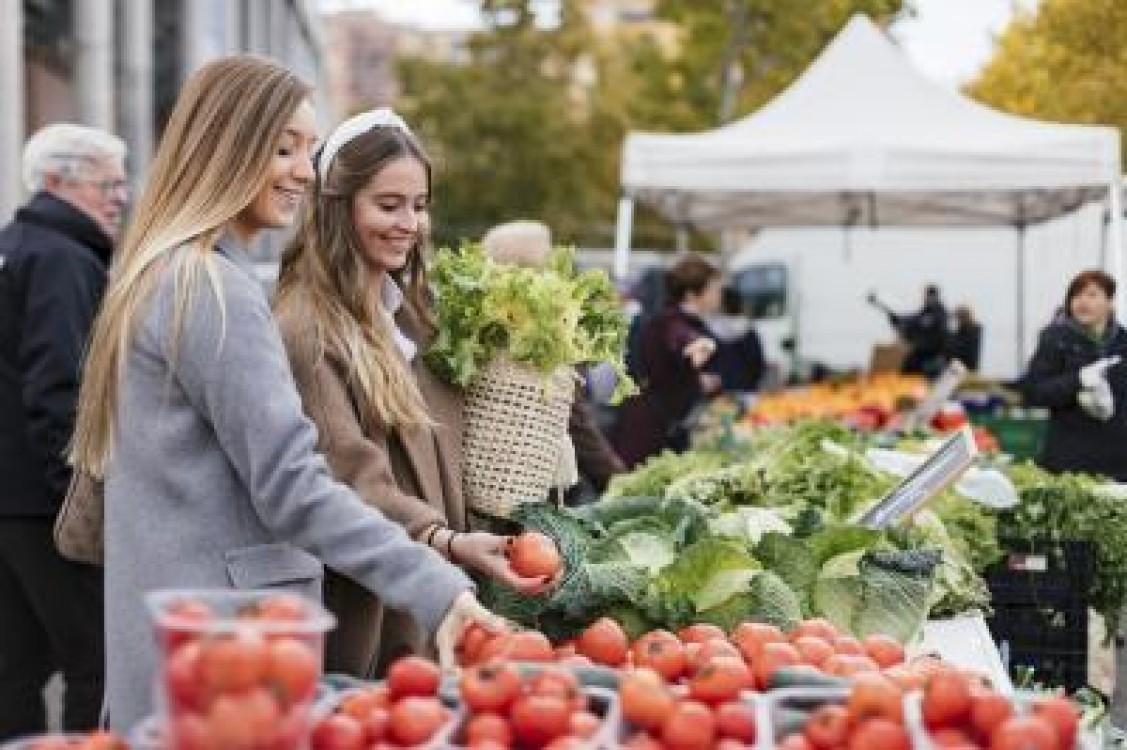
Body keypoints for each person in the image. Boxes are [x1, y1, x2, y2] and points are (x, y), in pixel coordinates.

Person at [67, 56, 503, 730]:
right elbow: (293, 486)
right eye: (283, 148)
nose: (305, 170)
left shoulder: (162, 274)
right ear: (227, 147)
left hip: (184, 651)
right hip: (226, 659)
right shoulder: (213, 291)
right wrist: (437, 587)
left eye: (308, 148)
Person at [273, 112, 548, 678]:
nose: (409, 224)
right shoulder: (308, 329)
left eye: (419, 206)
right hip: (367, 606)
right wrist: (443, 540)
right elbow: (349, 479)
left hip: (436, 588)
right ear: (338, 207)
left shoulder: (414, 316)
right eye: (388, 205)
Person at [0, 124, 126, 737]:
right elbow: (60, 391)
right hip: (45, 502)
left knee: (14, 666)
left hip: (9, 499)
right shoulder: (62, 260)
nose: (120, 198)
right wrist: (77, 504)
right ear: (56, 182)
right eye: (107, 184)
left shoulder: (13, 247)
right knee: (97, 660)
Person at [480, 220, 626, 497]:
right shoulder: (542, 330)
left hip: (494, 477)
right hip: (532, 481)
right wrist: (616, 478)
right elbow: (573, 416)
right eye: (548, 254)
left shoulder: (486, 324)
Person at [611, 254, 723, 468]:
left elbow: (672, 369)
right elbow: (681, 339)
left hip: (660, 426)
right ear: (691, 294)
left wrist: (697, 381)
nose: (719, 294)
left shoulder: (676, 319)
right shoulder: (669, 321)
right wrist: (696, 346)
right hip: (645, 432)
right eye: (713, 289)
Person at [1021, 270, 1127, 481]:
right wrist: (1078, 380)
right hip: (1069, 464)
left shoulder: (1123, 342)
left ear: (1110, 301)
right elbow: (1034, 392)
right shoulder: (1055, 340)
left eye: (1092, 295)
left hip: (1118, 463)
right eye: (1076, 295)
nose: (1082, 302)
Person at [875, 284, 948, 378]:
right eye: (926, 296)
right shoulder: (925, 312)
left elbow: (919, 323)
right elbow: (912, 319)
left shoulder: (940, 313)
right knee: (906, 368)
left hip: (934, 354)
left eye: (929, 296)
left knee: (922, 371)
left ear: (935, 296)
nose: (926, 299)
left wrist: (907, 323)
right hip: (921, 352)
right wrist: (896, 319)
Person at [947, 305, 983, 371]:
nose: (957, 321)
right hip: (961, 366)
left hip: (967, 368)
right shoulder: (961, 331)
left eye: (958, 318)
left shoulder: (972, 331)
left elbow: (968, 352)